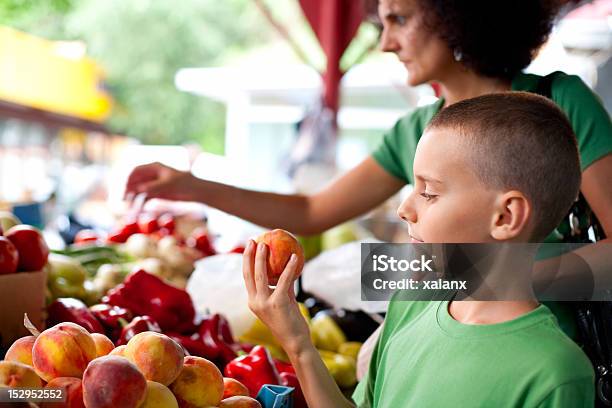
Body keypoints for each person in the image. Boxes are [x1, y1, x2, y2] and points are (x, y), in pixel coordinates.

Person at [125, 0, 611, 246]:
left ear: (458, 14)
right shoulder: (414, 131)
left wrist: (470, 274)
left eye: (399, 19)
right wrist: (195, 188)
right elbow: (311, 213)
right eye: (383, 24)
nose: (386, 42)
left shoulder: (562, 101)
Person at [242, 92, 594, 407]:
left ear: (505, 216)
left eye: (429, 192)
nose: (404, 209)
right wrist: (297, 342)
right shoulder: (412, 301)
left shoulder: (555, 375)